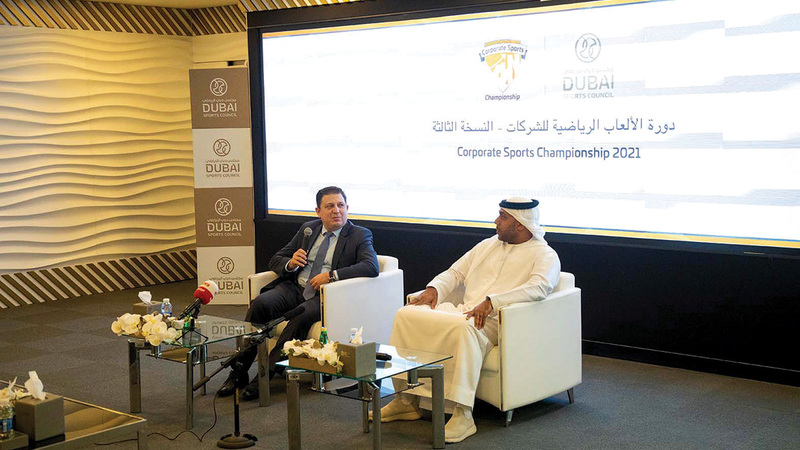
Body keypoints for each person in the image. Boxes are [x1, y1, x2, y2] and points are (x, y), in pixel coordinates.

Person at [377, 197, 561, 443]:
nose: (496, 221)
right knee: (406, 314)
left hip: (500, 320)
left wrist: (492, 301)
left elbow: (539, 288)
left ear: (520, 224)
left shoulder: (545, 254)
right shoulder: (487, 245)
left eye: (503, 217)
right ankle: (406, 399)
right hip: (465, 311)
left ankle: (463, 414)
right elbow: (456, 272)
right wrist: (434, 289)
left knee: (465, 328)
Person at [219, 186, 379, 400]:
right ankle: (239, 372)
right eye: (330, 206)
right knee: (260, 304)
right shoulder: (308, 229)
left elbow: (371, 266)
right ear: (318, 211)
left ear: (347, 208)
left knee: (299, 317)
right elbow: (276, 259)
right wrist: (291, 263)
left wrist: (331, 276)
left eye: (341, 205)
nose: (336, 211)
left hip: (324, 296)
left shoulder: (359, 234)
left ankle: (264, 377)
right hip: (294, 288)